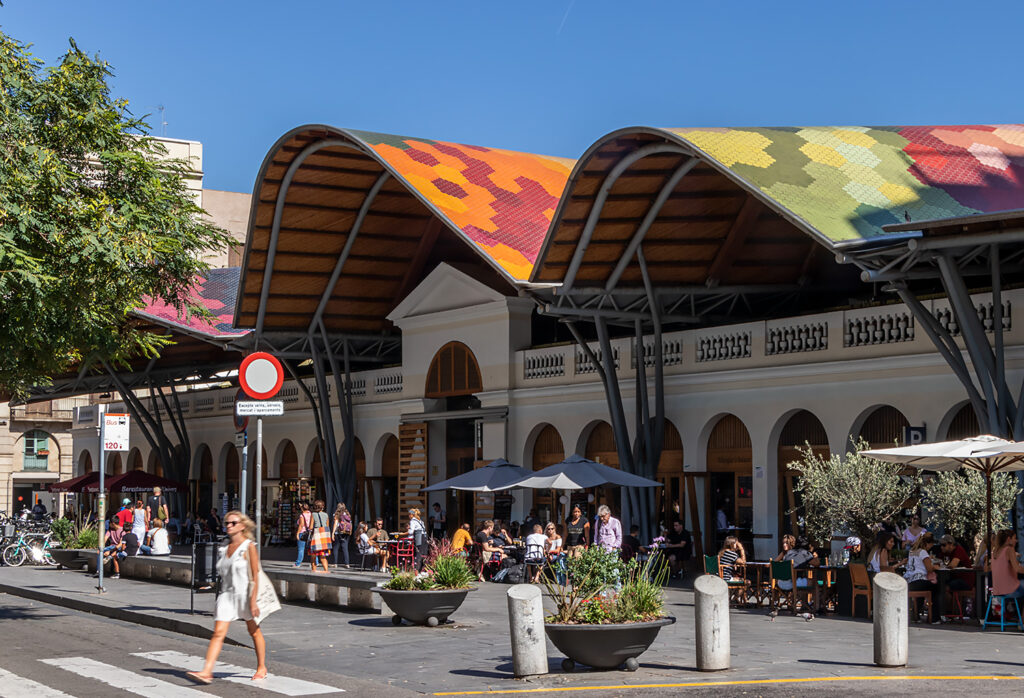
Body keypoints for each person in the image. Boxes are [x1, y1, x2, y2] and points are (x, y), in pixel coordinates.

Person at [186, 511, 268, 684]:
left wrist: (253, 601)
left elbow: (255, 575)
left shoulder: (249, 546)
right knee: (218, 633)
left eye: (233, 523)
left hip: (245, 594)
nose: (228, 526)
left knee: (254, 631)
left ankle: (261, 667)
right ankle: (207, 671)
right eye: (226, 523)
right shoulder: (224, 546)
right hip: (227, 594)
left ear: (242, 526)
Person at [904, 531, 938, 619]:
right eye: (931, 545)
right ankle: (934, 617)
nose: (931, 547)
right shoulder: (923, 552)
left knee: (924, 587)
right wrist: (935, 567)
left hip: (909, 581)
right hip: (919, 580)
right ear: (927, 543)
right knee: (936, 588)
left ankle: (915, 614)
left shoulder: (911, 552)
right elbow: (929, 569)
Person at [990, 529, 1024, 600]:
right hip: (1010, 591)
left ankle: (1013, 609)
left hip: (997, 592)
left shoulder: (994, 552)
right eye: (1014, 538)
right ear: (1009, 539)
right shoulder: (1009, 549)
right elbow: (1017, 568)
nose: (1016, 541)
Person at [307, 500, 331, 574]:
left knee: (313, 555)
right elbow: (327, 526)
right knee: (323, 555)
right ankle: (326, 570)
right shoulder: (326, 515)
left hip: (316, 536)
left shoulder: (313, 514)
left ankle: (313, 570)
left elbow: (311, 527)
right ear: (322, 507)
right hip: (324, 536)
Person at [331, 503, 353, 568]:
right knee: (345, 548)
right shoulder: (347, 514)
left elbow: (335, 524)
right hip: (346, 532)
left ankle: (335, 563)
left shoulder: (337, 514)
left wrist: (332, 533)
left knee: (336, 547)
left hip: (339, 532)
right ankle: (347, 563)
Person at [293, 502, 312, 567]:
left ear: (302, 509)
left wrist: (297, 533)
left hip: (302, 532)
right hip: (309, 533)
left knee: (301, 549)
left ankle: (298, 563)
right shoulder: (311, 514)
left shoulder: (302, 515)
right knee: (311, 548)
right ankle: (315, 562)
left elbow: (301, 525)